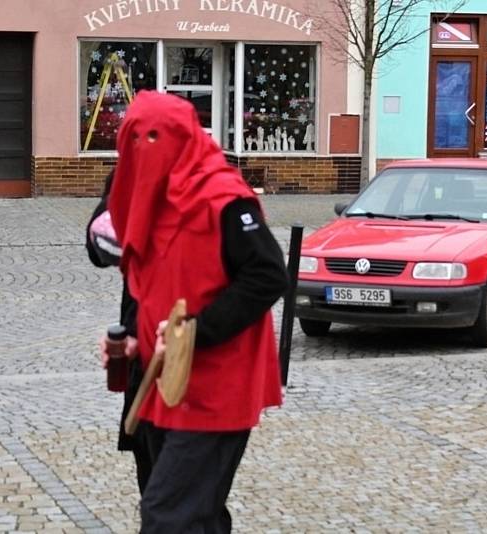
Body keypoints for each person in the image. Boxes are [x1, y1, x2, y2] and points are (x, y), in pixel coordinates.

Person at [106, 91, 288, 533]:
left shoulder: (225, 200)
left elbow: (268, 276)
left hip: (216, 387)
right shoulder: (145, 199)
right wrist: (132, 334)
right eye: (134, 138)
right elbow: (144, 281)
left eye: (156, 137)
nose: (144, 149)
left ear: (185, 139)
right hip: (159, 382)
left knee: (168, 514)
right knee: (195, 514)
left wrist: (198, 331)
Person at [86, 170, 152, 495]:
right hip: (137, 346)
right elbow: (96, 248)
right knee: (148, 462)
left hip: (191, 353)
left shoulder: (202, 183)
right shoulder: (126, 175)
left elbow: (264, 276)